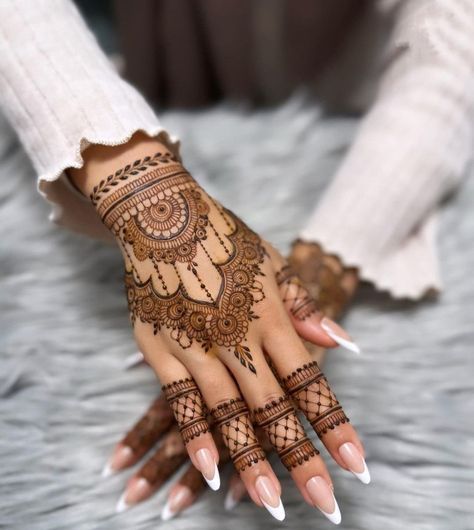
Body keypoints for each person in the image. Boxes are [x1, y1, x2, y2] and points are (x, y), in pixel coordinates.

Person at [0, 0, 472, 523]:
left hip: (361, 90)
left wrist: (323, 265)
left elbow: (451, 48)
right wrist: (135, 180)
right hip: (136, 67)